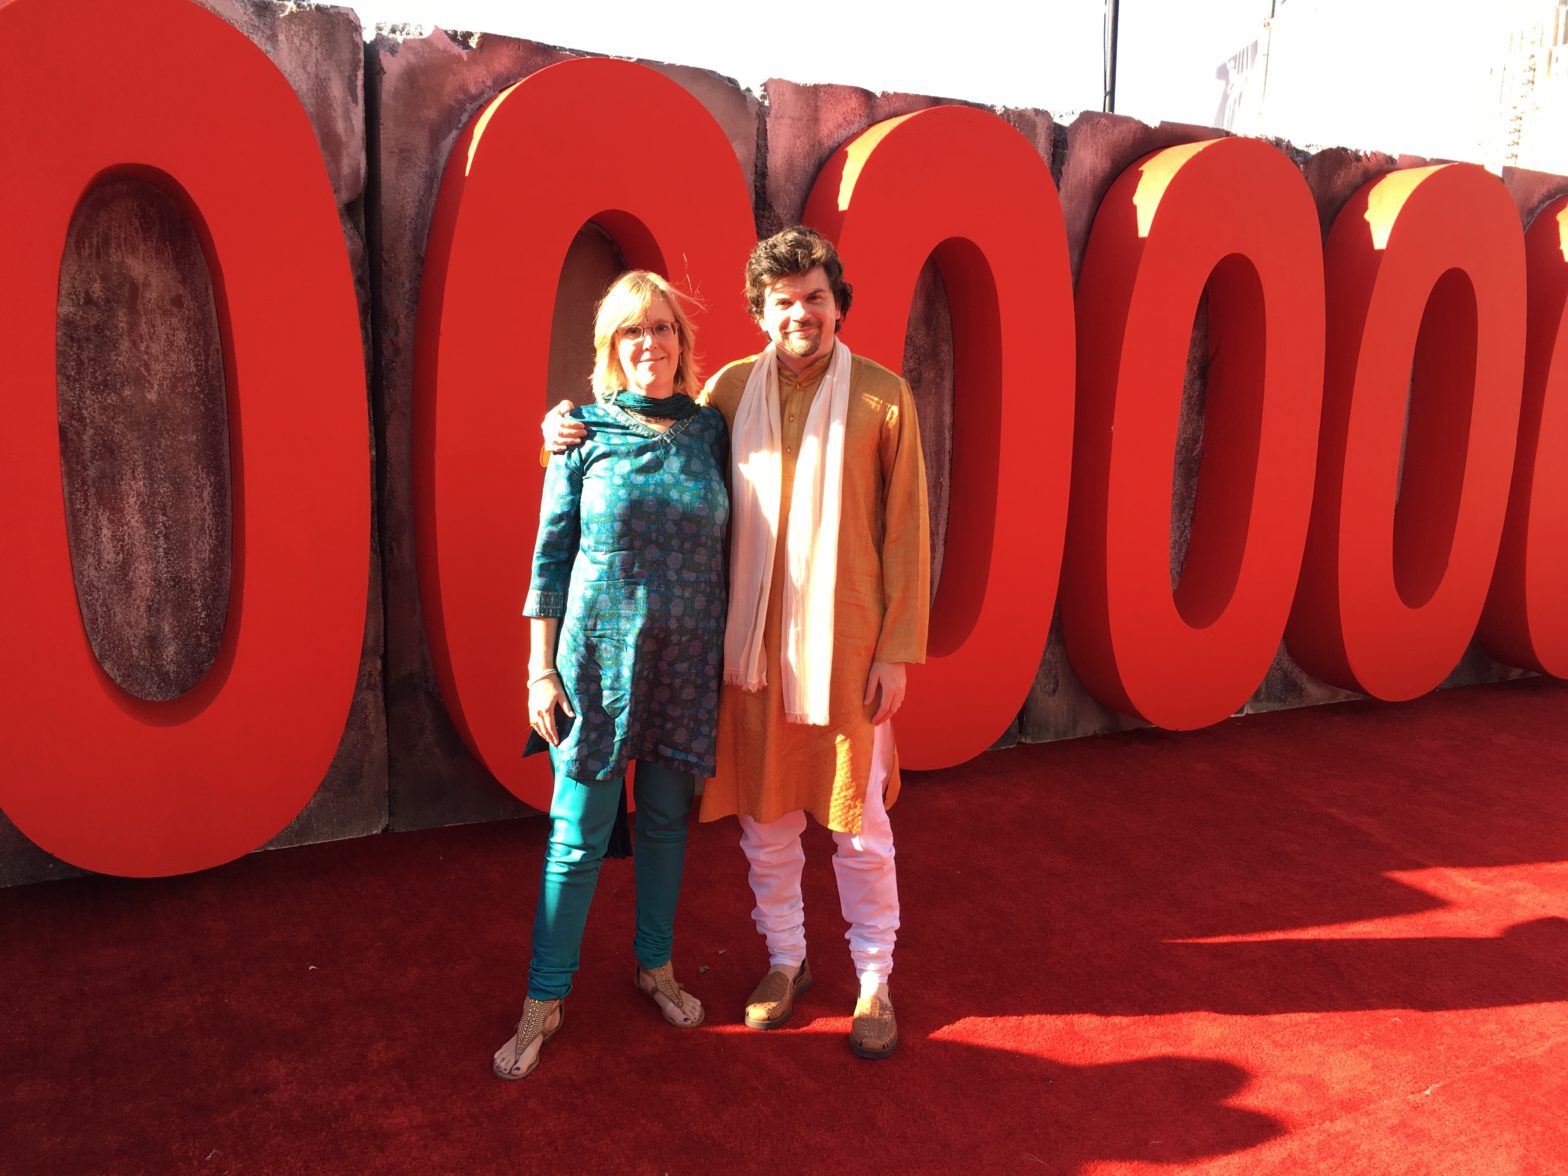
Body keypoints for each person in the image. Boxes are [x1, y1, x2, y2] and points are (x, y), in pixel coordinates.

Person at [546, 227, 930, 1059]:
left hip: (847, 649)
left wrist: (896, 649)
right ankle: (786, 962)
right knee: (766, 821)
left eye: (816, 298)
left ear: (839, 304)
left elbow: (907, 536)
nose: (802, 315)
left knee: (858, 827)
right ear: (761, 314)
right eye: (784, 302)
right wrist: (563, 428)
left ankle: (873, 979)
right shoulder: (723, 395)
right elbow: (639, 431)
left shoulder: (882, 398)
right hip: (747, 652)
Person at [494, 270, 728, 1081]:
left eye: (663, 328)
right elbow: (549, 561)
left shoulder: (711, 432)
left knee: (666, 823)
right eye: (633, 331)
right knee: (574, 837)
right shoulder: (580, 434)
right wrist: (537, 674)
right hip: (594, 664)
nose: (650, 344)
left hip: (685, 665)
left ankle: (654, 967)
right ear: (609, 347)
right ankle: (542, 1001)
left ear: (683, 343)